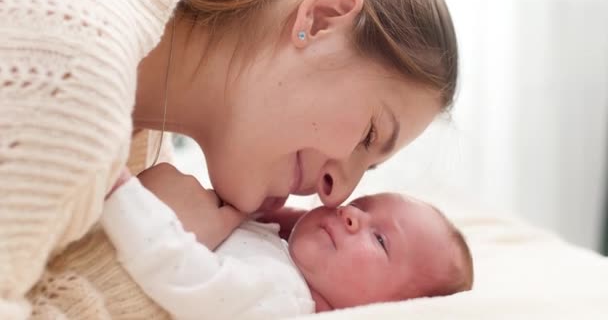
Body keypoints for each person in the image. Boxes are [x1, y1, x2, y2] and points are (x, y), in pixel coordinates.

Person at [0, 0, 458, 318]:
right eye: (368, 136)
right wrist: (137, 261)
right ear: (320, 18)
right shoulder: (73, 74)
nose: (336, 196)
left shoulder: (142, 148)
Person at [99, 167, 473, 319]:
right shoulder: (284, 264)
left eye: (380, 240)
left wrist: (120, 190)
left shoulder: (282, 300)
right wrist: (262, 215)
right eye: (360, 205)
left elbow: (179, 273)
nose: (350, 214)